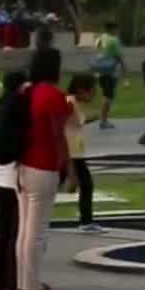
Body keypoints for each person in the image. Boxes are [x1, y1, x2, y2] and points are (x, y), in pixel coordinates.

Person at [18, 47, 71, 290]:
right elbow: (58, 134)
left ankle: (24, 281)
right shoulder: (54, 96)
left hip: (23, 164)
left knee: (24, 228)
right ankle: (31, 287)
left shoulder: (25, 92)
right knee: (37, 231)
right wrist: (67, 165)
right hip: (44, 164)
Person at [0, 70, 28, 290]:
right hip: (14, 176)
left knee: (1, 231)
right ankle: (13, 283)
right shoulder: (17, 110)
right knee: (16, 231)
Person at [63, 74, 103, 233]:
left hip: (76, 153)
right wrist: (70, 169)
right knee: (86, 185)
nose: (94, 95)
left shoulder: (73, 102)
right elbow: (62, 128)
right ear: (81, 90)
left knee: (85, 185)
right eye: (92, 91)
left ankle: (85, 220)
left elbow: (79, 120)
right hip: (71, 153)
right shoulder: (69, 103)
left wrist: (98, 116)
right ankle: (85, 221)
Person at [90, 24, 124, 129]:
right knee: (108, 97)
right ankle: (103, 120)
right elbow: (119, 56)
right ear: (113, 29)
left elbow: (96, 52)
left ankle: (103, 119)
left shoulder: (100, 38)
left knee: (106, 95)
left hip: (101, 71)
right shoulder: (114, 40)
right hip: (110, 72)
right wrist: (125, 68)